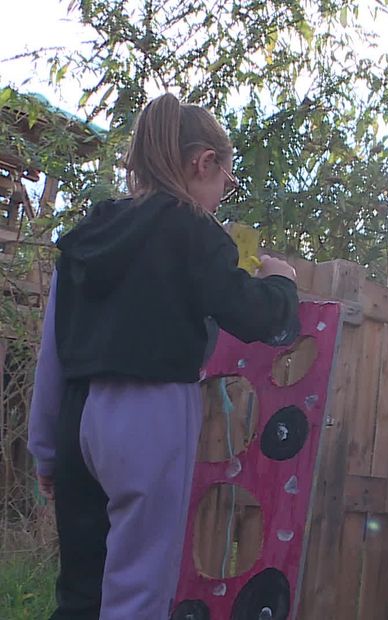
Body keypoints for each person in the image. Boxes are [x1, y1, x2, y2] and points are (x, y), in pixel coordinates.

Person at [27, 93, 299, 620]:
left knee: (80, 592)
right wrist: (281, 285)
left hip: (79, 418)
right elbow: (250, 315)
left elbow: (52, 352)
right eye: (227, 179)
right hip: (151, 416)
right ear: (203, 163)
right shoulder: (193, 232)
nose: (224, 193)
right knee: (138, 592)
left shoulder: (87, 236)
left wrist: (45, 448)